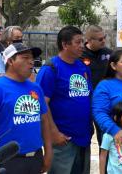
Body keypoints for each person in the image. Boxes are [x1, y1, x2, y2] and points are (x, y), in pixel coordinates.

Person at [0, 43, 52, 174]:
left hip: (35, 157)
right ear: (10, 61)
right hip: (7, 160)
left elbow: (44, 122)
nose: (31, 62)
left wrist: (49, 153)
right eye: (25, 58)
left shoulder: (35, 88)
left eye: (32, 58)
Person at [36, 26, 93, 174]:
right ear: (65, 44)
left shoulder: (83, 67)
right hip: (63, 139)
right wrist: (54, 133)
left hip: (84, 137)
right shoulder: (50, 69)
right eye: (78, 42)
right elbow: (42, 104)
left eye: (83, 41)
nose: (82, 46)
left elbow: (88, 98)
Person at [81, 25, 112, 146]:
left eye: (104, 37)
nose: (103, 40)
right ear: (89, 40)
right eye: (100, 39)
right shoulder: (80, 55)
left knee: (105, 137)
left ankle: (104, 164)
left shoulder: (109, 54)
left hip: (104, 102)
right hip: (85, 101)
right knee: (85, 134)